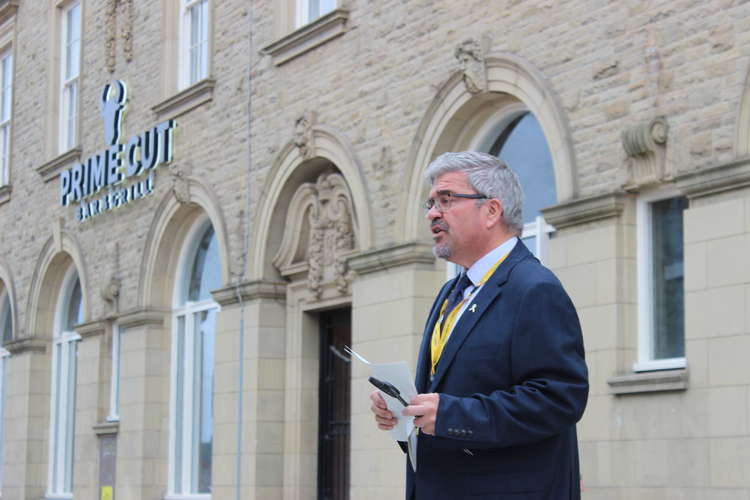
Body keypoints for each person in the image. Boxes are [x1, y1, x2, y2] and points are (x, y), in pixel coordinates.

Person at [369, 151, 588, 499]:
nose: (432, 213)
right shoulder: (449, 292)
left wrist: (450, 414)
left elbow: (559, 399)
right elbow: (454, 394)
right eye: (430, 202)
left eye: (446, 199)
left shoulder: (534, 288)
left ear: (491, 211)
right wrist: (406, 413)